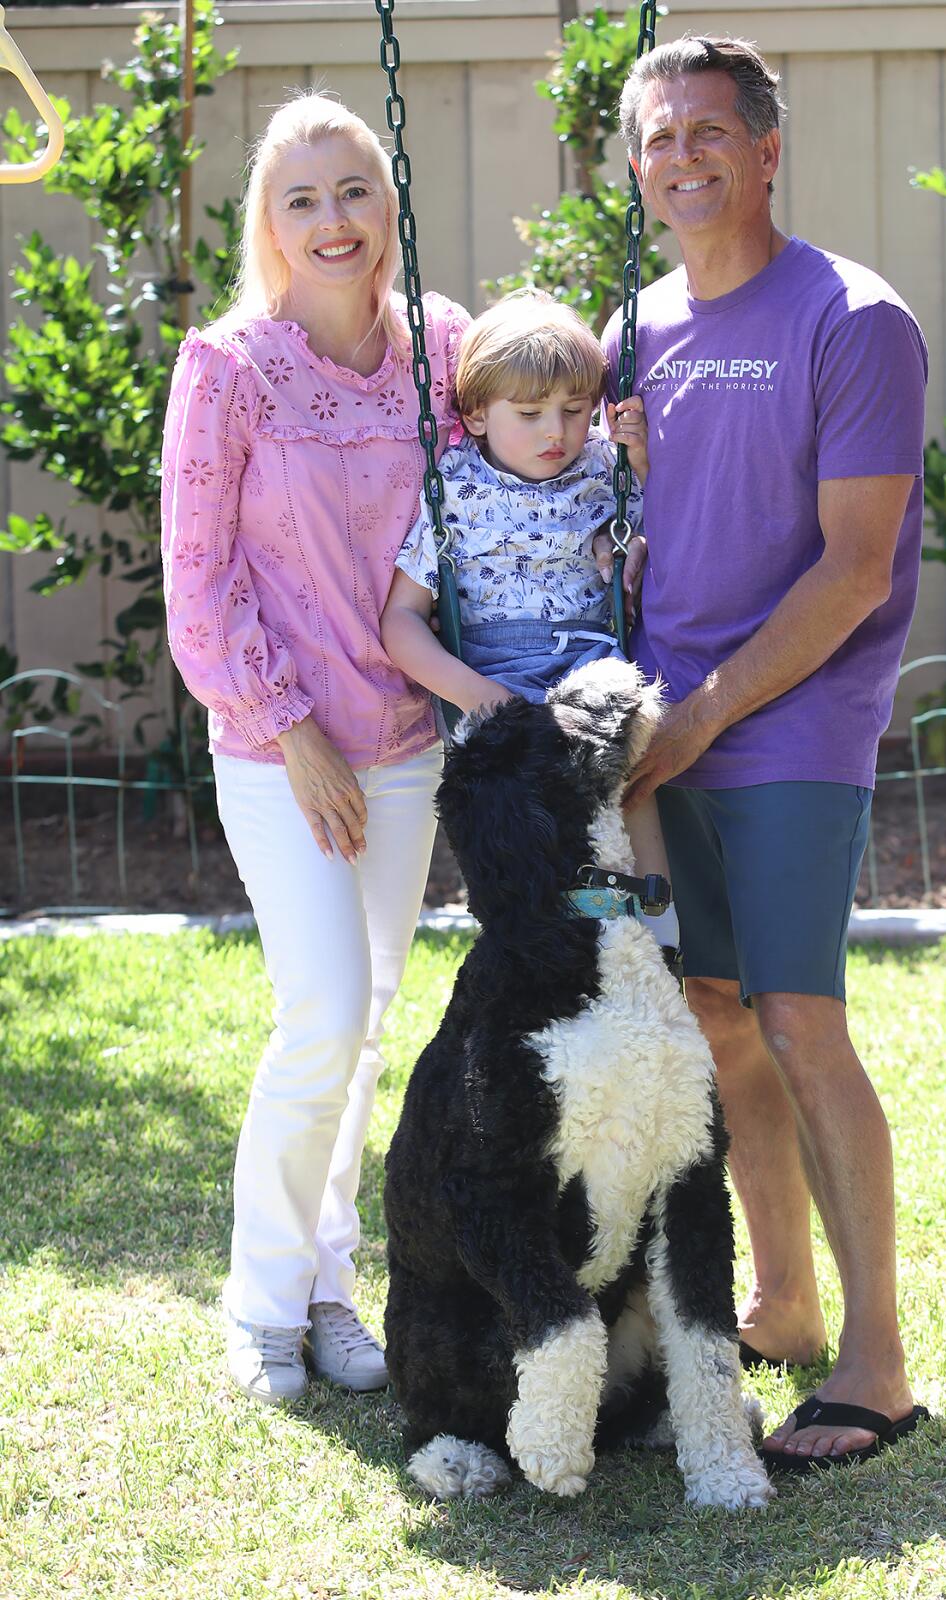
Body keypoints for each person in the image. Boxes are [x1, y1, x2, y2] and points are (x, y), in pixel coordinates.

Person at [604, 36, 929, 1469]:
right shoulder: (637, 329)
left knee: (799, 1018)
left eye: (710, 133)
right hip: (667, 733)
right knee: (718, 1014)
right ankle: (784, 1307)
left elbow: (854, 572)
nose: (684, 158)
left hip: (788, 721)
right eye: (658, 137)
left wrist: (706, 714)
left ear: (768, 147)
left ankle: (879, 1365)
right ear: (633, 163)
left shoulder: (856, 320)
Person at [161, 93, 470, 1404]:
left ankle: (331, 1282)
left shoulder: (444, 349)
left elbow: (518, 464)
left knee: (371, 1019)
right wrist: (292, 733)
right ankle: (259, 1302)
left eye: (353, 191)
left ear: (386, 205)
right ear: (269, 227)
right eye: (303, 198)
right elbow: (199, 583)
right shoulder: (226, 367)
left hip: (403, 737)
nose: (332, 219)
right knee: (323, 1013)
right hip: (280, 744)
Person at [380, 290, 672, 915]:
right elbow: (400, 622)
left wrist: (627, 544)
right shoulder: (454, 488)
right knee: (514, 788)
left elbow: (663, 535)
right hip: (491, 670)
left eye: (574, 410)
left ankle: (652, 910)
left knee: (625, 749)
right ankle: (533, 916)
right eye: (531, 413)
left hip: (590, 660)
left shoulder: (605, 468)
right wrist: (480, 699)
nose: (556, 432)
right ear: (479, 415)